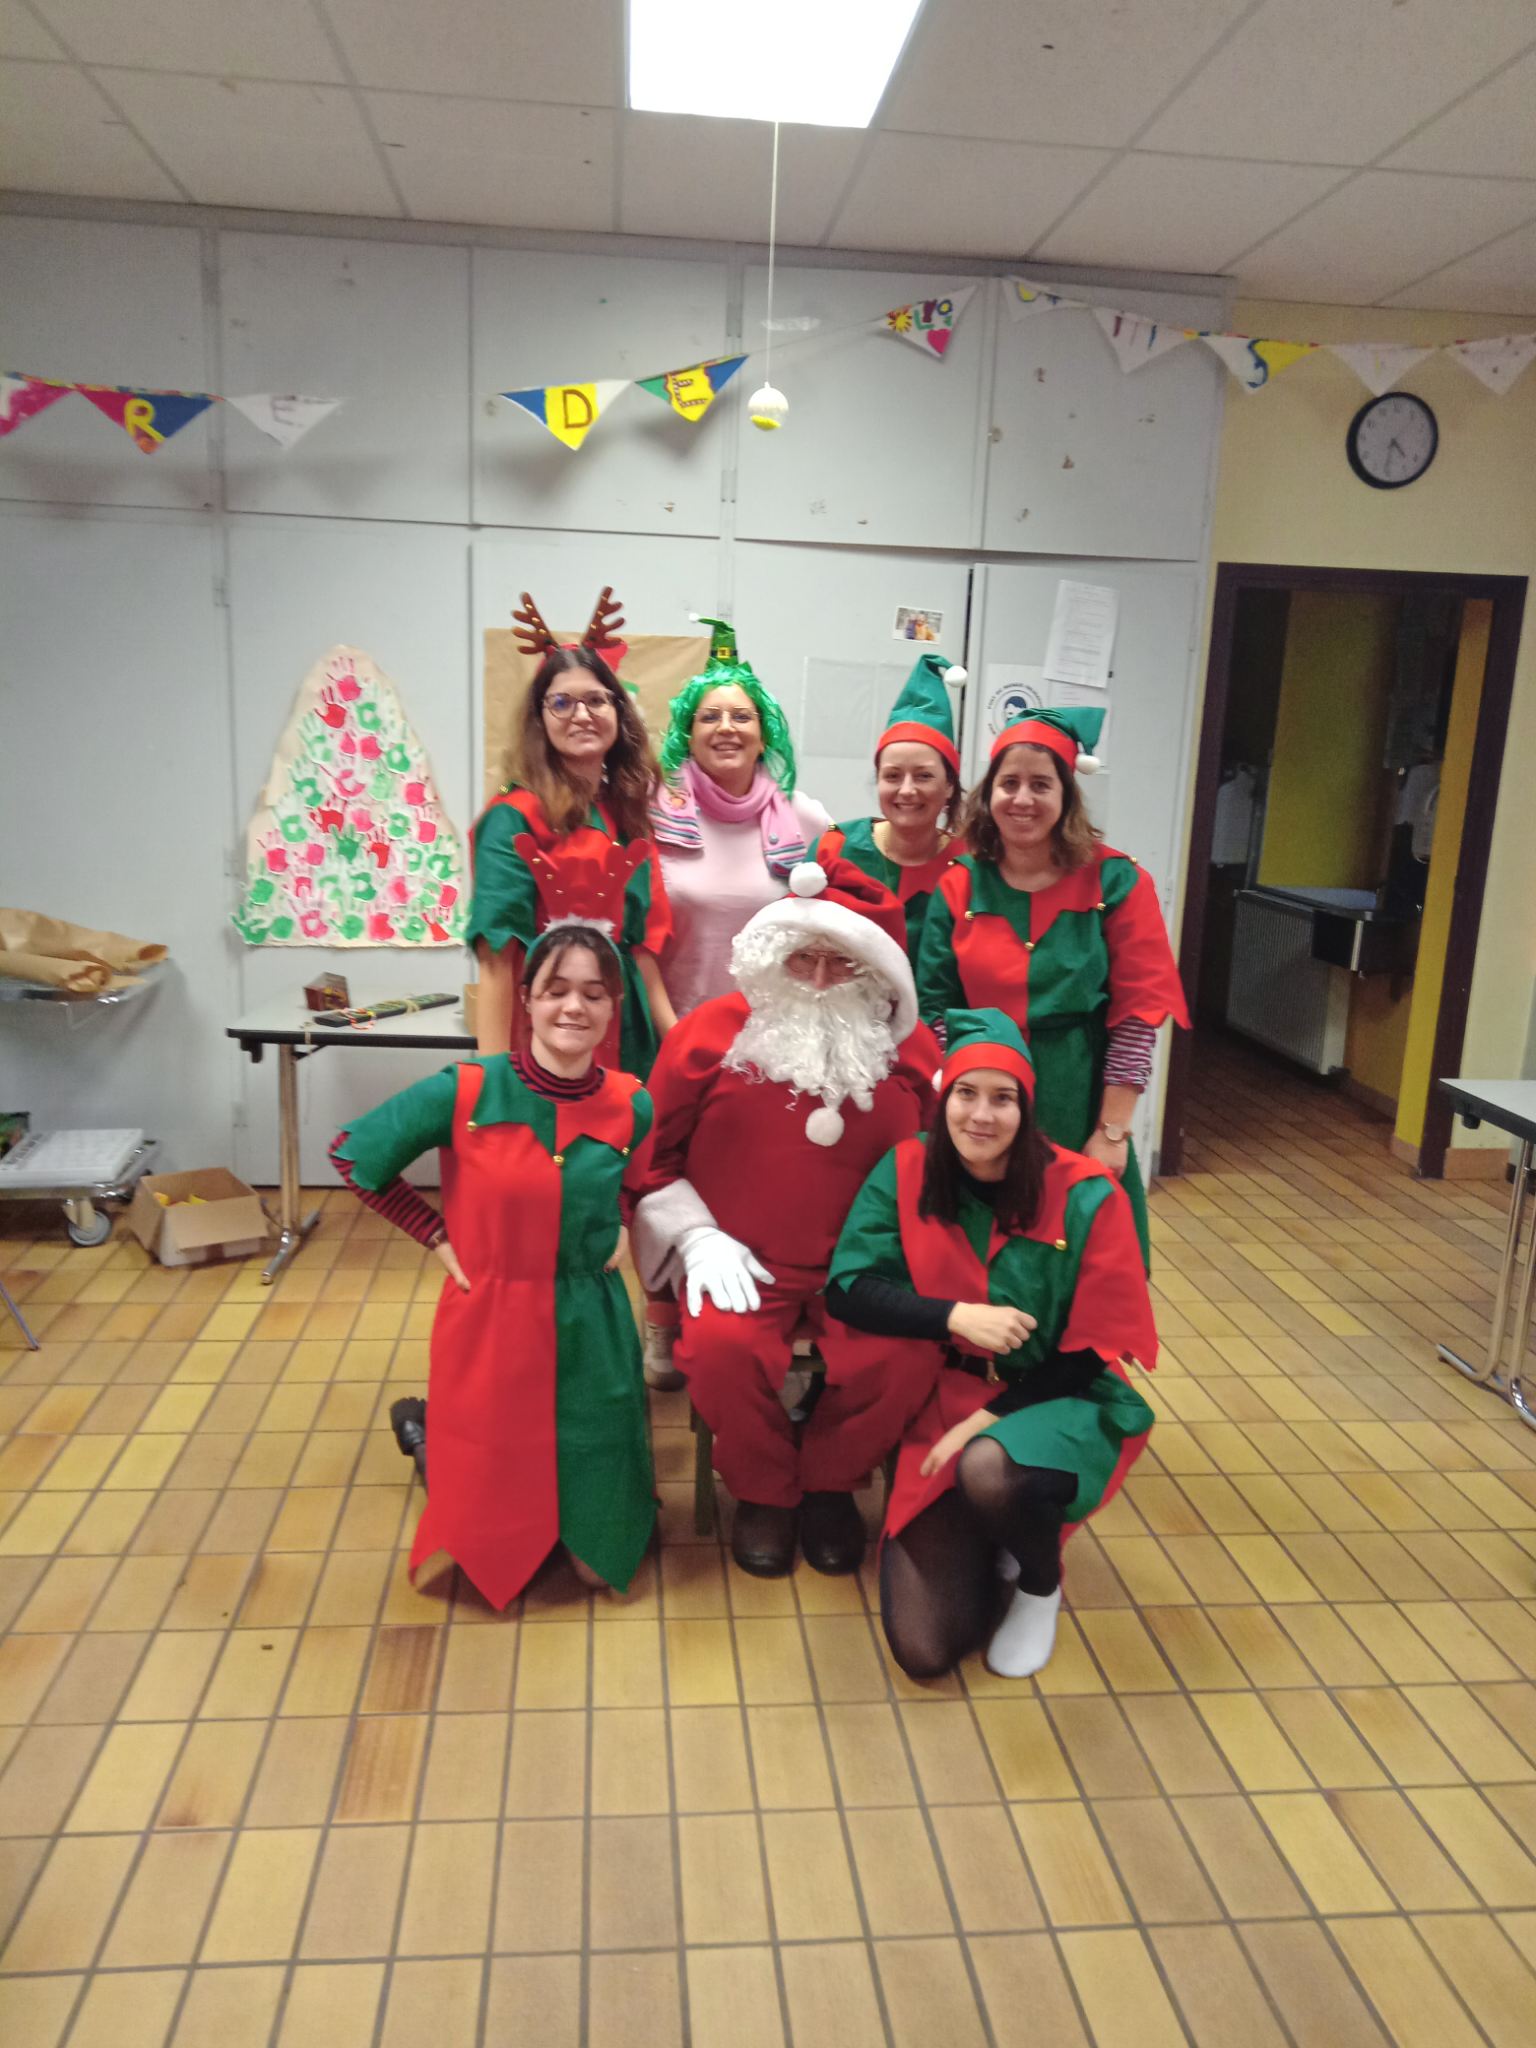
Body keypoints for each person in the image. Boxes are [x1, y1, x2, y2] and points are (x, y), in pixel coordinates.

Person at [630, 856, 941, 1579]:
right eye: (805, 959)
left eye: (843, 962)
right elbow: (649, 1159)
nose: (823, 979)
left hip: (867, 1267)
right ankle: (765, 1490)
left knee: (906, 1354)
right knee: (720, 1352)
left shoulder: (911, 1051)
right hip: (740, 1262)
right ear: (775, 959)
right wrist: (695, 1238)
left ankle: (831, 1482)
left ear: (874, 970)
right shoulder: (705, 1037)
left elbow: (944, 1163)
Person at [330, 923, 655, 1609]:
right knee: (491, 1544)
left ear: (613, 1007)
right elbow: (354, 1155)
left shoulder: (632, 1101)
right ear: (526, 1000)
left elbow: (633, 1178)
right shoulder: (467, 1090)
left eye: (594, 993)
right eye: (556, 990)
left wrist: (622, 1219)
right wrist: (431, 1232)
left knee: (598, 1566)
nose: (574, 1007)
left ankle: (566, 1503)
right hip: (493, 1314)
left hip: (590, 1316)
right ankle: (431, 1445)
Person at [828, 1008, 1157, 1680]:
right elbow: (850, 1288)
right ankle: (997, 1532)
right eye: (966, 1094)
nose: (982, 1115)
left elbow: (1091, 1350)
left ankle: (1038, 1580)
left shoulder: (1087, 1193)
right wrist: (955, 1316)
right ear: (944, 1098)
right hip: (947, 1395)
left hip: (1060, 1398)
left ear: (1026, 1108)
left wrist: (981, 1422)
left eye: (1003, 1098)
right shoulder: (908, 1168)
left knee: (987, 1467)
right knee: (923, 1650)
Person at [916, 705, 1188, 1260]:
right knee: (977, 1250)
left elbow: (1139, 1013)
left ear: (1067, 796)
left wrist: (1112, 1131)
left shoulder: (1117, 881)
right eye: (1009, 783)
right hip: (980, 1094)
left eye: (1041, 784)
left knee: (1076, 1247)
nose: (1022, 799)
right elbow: (934, 1006)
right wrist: (961, 1104)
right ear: (989, 794)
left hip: (1076, 1093)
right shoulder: (960, 883)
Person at [468, 589, 675, 1077]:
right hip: (545, 1031)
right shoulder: (513, 817)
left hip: (624, 1029)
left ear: (618, 712)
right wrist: (492, 1082)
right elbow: (497, 959)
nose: (581, 715)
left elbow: (641, 951)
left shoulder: (627, 815)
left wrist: (680, 1045)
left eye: (596, 700)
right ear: (540, 719)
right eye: (561, 702)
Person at [649, 617, 832, 1019]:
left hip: (773, 1035)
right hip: (673, 1033)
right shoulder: (655, 812)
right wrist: (673, 1037)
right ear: (688, 736)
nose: (726, 728)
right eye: (709, 717)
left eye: (742, 717)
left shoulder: (806, 819)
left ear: (764, 736)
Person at [814, 650, 966, 968]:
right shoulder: (834, 849)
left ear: (950, 785)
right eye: (893, 776)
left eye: (924, 776)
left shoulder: (969, 866)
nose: (907, 790)